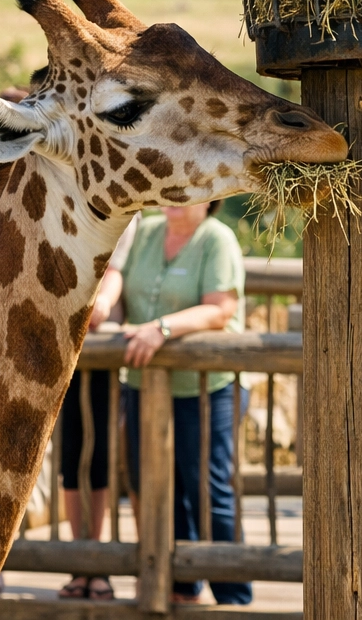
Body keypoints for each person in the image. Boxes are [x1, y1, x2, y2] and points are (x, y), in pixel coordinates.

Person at [119, 203, 249, 606]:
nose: (176, 195)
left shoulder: (217, 238)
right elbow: (115, 284)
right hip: (143, 384)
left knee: (208, 491)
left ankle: (232, 597)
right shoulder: (144, 232)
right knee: (153, 485)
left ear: (208, 197)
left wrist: (162, 328)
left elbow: (220, 310)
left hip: (206, 388)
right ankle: (180, 589)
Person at [56, 214, 136, 602]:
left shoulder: (127, 212)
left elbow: (116, 269)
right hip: (59, 344)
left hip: (101, 345)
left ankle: (97, 558)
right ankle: (78, 559)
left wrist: (101, 302)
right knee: (70, 454)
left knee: (100, 454)